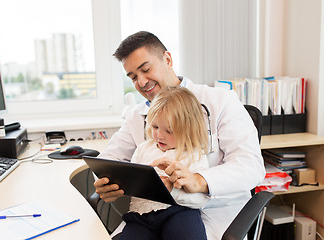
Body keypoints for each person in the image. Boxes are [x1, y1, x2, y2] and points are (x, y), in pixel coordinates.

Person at [94, 31, 266, 239]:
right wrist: (106, 183)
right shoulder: (135, 116)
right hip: (150, 216)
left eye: (146, 69)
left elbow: (251, 166)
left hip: (217, 213)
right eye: (133, 77)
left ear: (167, 59)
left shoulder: (220, 101)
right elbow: (108, 161)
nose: (141, 81)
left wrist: (199, 180)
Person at [121, 87, 209, 240]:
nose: (159, 135)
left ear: (188, 130)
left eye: (169, 131)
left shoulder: (195, 156)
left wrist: (171, 191)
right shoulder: (143, 149)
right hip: (142, 216)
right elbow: (132, 180)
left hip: (180, 212)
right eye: (155, 127)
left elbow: (201, 200)